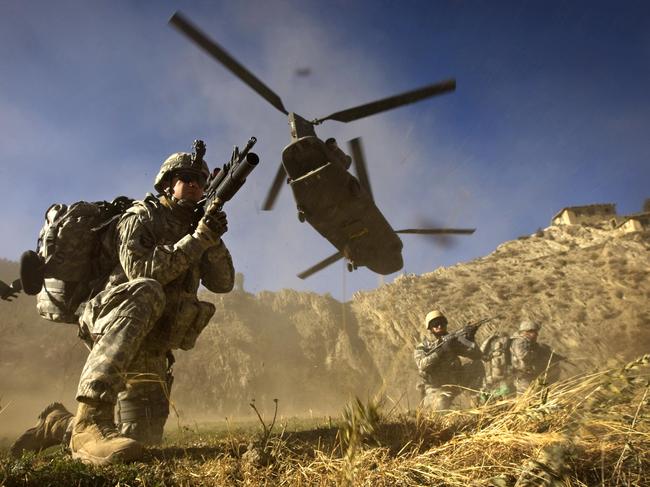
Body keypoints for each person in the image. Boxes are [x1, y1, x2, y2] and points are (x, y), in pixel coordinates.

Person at [11, 149, 234, 465]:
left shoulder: (194, 228)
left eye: (200, 181)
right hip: (114, 317)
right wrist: (198, 239)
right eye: (187, 179)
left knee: (139, 442)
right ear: (168, 184)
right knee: (148, 289)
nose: (196, 185)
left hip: (153, 344)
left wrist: (212, 239)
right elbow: (143, 273)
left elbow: (224, 283)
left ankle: (58, 424)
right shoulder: (141, 217)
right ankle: (89, 421)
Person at [414, 309, 482, 411]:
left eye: (442, 323)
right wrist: (441, 350)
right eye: (435, 324)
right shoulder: (423, 347)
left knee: (477, 365)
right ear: (430, 328)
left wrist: (470, 338)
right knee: (441, 404)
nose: (439, 326)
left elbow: (477, 355)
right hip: (435, 388)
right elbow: (422, 365)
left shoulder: (452, 342)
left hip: (455, 381)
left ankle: (476, 400)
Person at [481, 320, 560, 402]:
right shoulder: (520, 341)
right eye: (534, 332)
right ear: (527, 332)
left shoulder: (520, 341)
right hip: (521, 376)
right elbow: (523, 355)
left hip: (519, 375)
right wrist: (537, 354)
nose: (537, 335)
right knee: (526, 399)